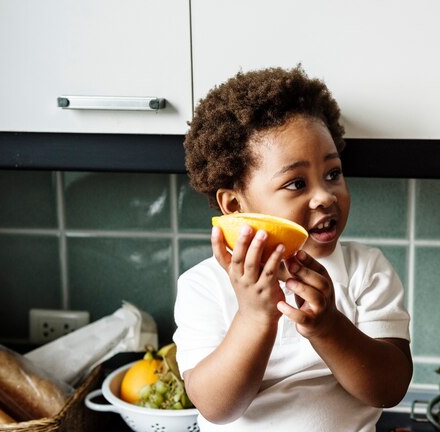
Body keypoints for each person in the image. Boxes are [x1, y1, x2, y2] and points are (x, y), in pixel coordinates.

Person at [173, 66, 412, 431]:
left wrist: (329, 327)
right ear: (235, 206)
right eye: (296, 183)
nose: (324, 196)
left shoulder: (367, 269)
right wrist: (254, 317)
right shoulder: (203, 286)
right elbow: (215, 407)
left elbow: (389, 389)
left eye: (333, 174)